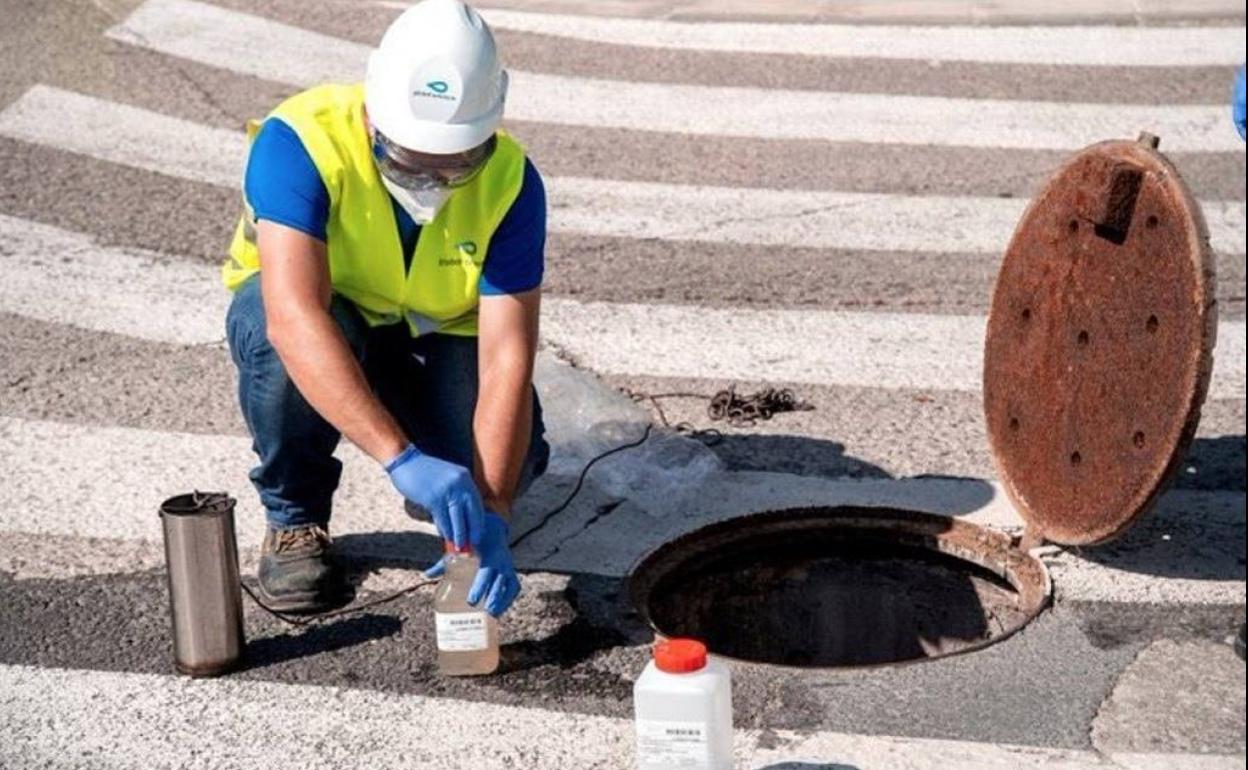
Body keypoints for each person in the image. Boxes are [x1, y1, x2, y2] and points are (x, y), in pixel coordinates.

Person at [223, 0, 548, 618]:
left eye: (455, 162)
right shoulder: (301, 141)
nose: (430, 179)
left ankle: (417, 427)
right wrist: (401, 459)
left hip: (433, 339)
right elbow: (293, 316)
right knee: (276, 342)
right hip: (327, 325)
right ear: (371, 111)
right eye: (407, 156)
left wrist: (495, 507)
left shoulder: (511, 180)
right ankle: (295, 517)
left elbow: (508, 355)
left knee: (512, 468)